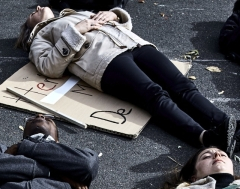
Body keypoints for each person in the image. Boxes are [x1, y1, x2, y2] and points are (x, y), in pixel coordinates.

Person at [18, 6, 240, 153]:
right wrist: (76, 31)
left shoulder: (71, 13)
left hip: (135, 45)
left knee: (182, 85)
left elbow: (122, 25)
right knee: (154, 94)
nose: (37, 8)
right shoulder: (40, 36)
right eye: (31, 14)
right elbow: (50, 67)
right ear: (29, 29)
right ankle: (203, 138)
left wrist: (114, 15)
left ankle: (226, 124)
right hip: (105, 61)